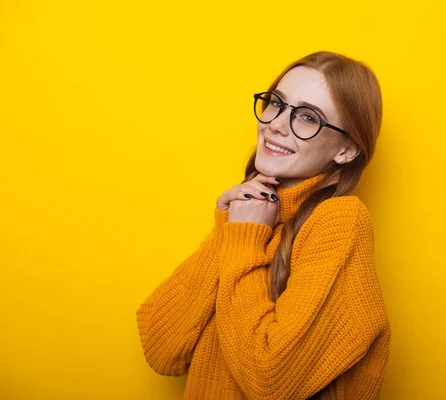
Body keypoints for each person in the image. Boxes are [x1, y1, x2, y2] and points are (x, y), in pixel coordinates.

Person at [136, 50, 391, 400]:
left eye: (306, 117)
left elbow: (269, 383)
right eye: (277, 104)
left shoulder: (340, 222)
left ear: (346, 150)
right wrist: (231, 227)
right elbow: (161, 348)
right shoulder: (251, 217)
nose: (275, 123)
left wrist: (242, 238)